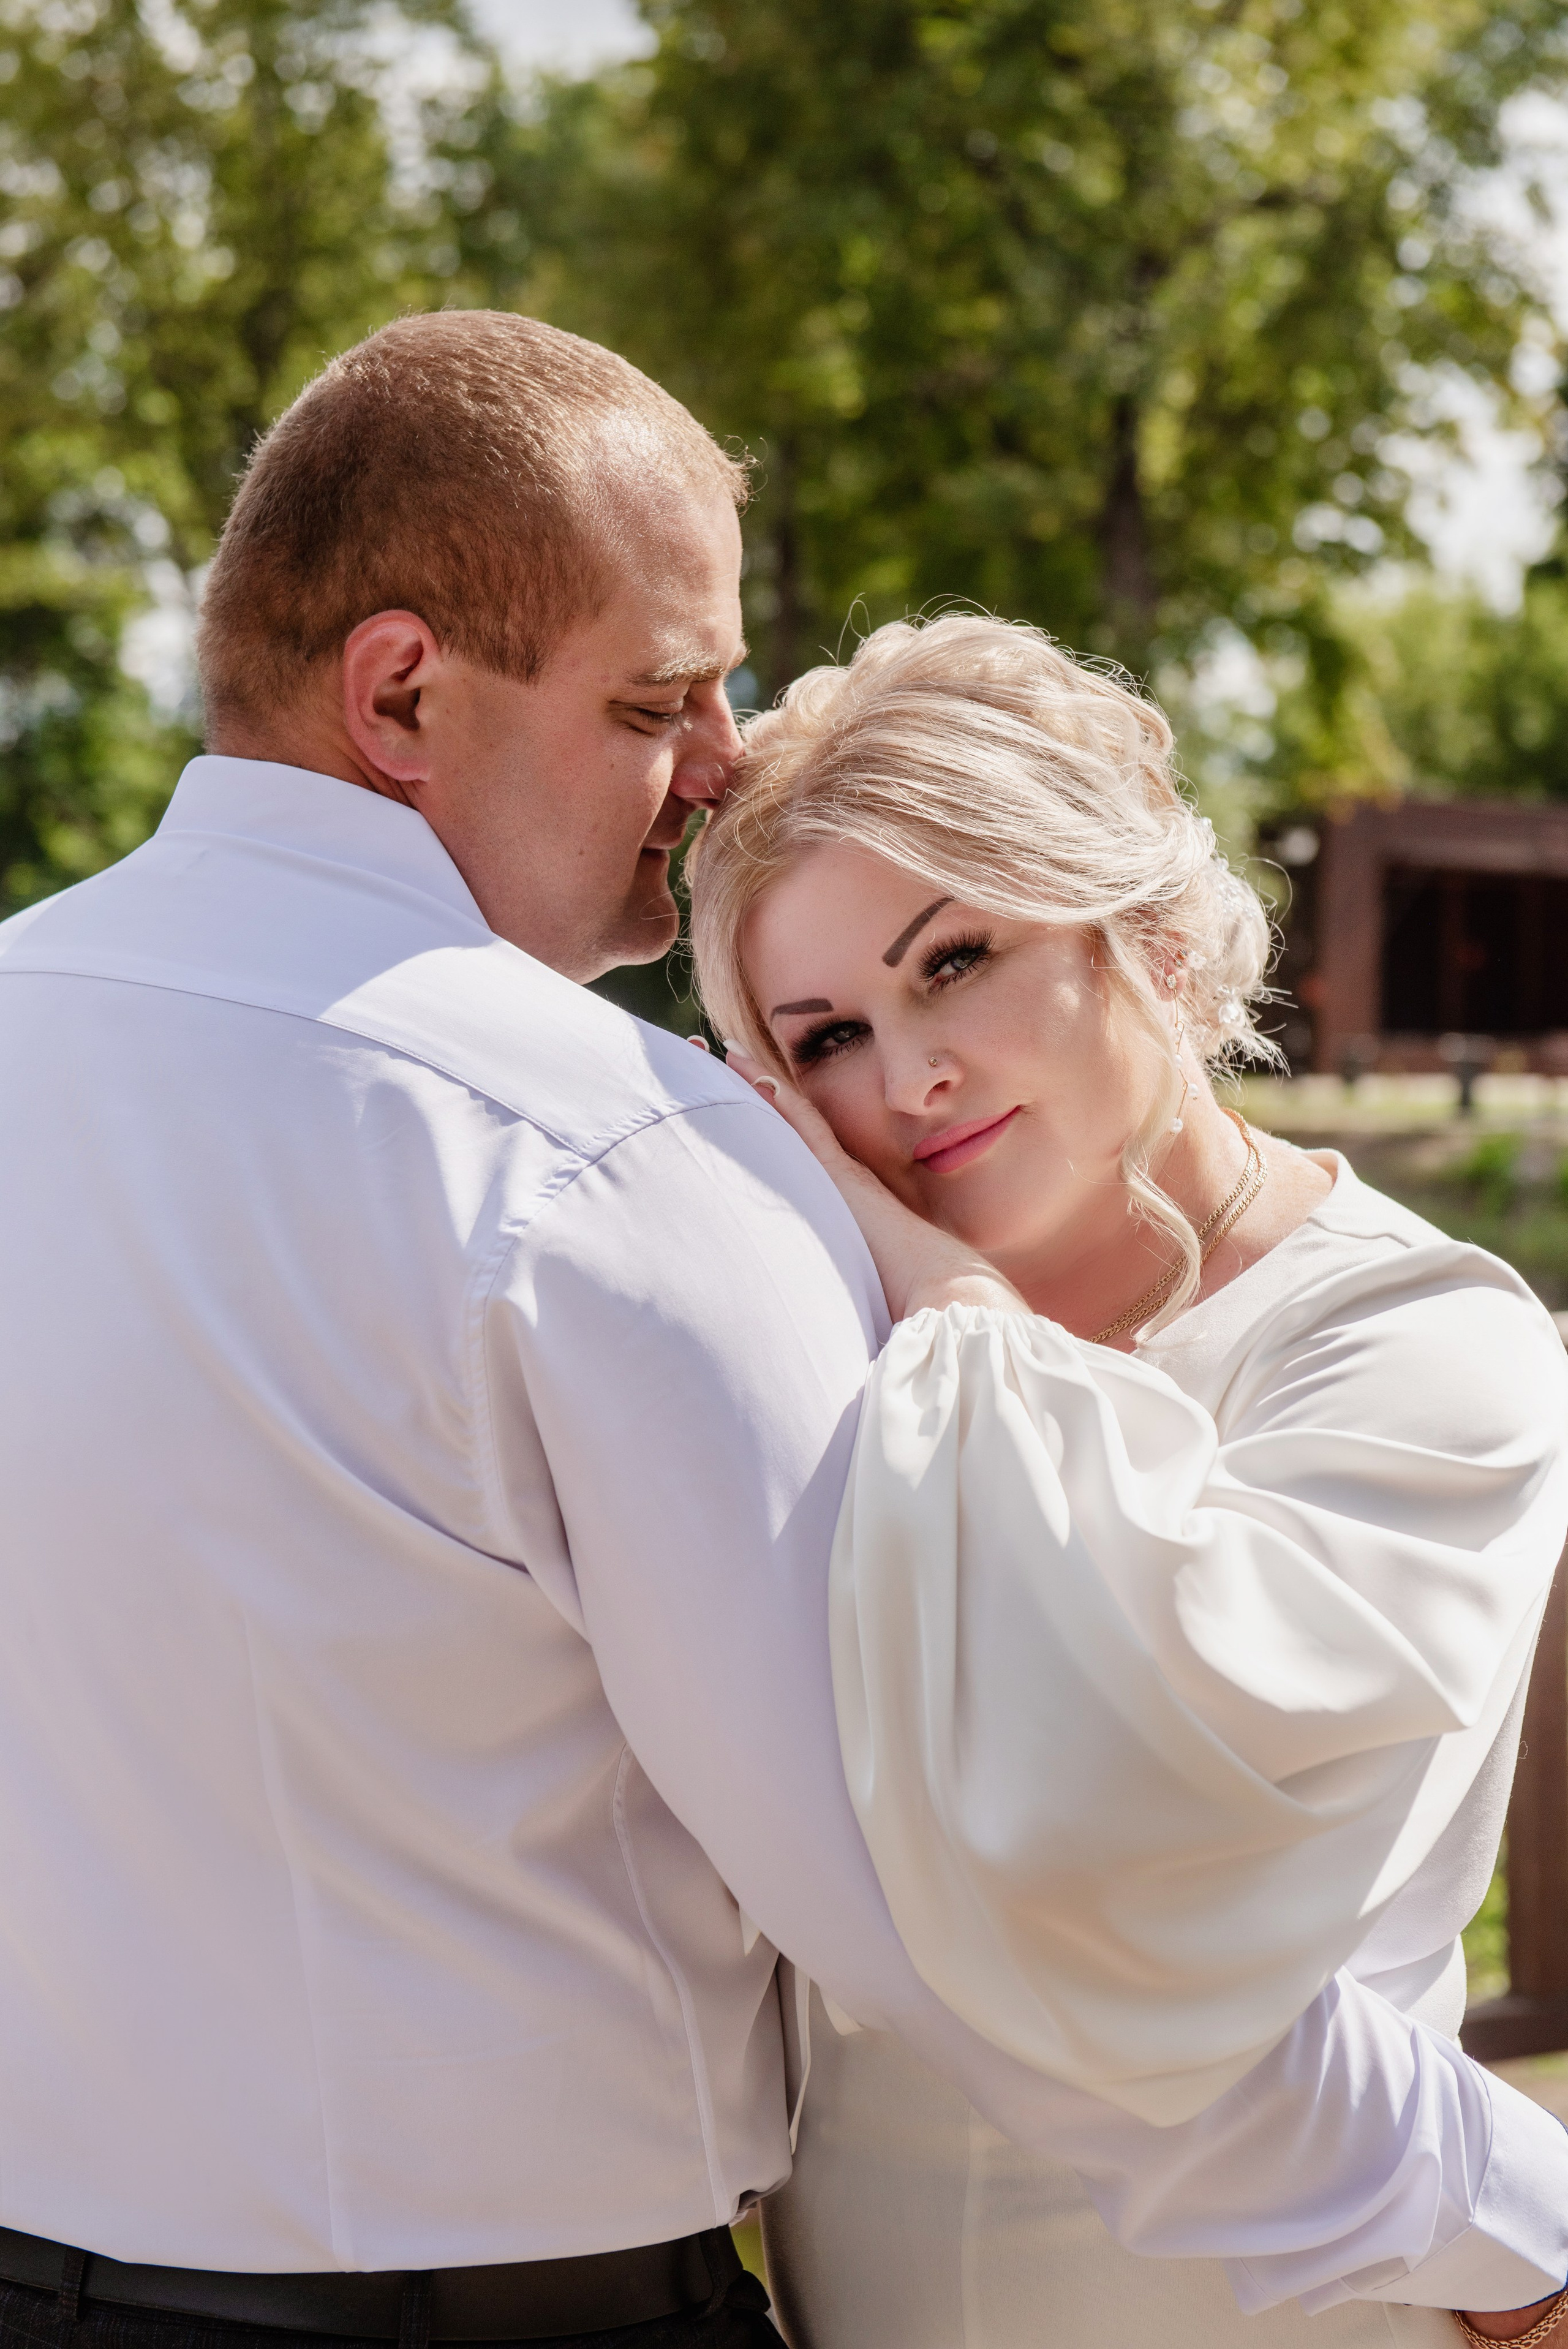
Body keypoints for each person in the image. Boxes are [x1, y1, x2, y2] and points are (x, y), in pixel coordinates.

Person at [0, 316, 1561, 2349]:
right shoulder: (593, 1161)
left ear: (1148, 933)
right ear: (401, 689)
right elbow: (951, 1943)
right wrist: (1515, 2218)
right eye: (665, 695)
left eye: (961, 960)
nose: (717, 756)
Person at [688, 609, 1568, 2348]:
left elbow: (1124, 1854)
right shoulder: (822, 1357)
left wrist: (938, 1292)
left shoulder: (1415, 1342)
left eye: (954, 960)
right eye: (824, 1038)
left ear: (1151, 931)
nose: (908, 1075)